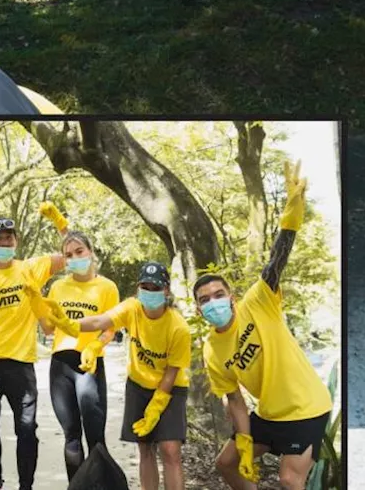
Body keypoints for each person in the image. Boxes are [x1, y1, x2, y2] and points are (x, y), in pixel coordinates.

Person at [195, 162, 332, 490]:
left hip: (306, 407)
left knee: (289, 479)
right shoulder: (212, 350)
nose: (212, 301)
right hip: (269, 415)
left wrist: (291, 218)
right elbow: (237, 401)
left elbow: (276, 261)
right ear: (199, 309)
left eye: (218, 294)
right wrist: (243, 445)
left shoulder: (257, 301)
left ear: (231, 296)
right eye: (204, 299)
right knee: (226, 463)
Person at [51, 261, 192, 490]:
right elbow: (99, 321)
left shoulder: (178, 328)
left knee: (170, 450)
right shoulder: (132, 308)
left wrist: (156, 406)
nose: (149, 292)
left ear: (166, 290)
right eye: (144, 287)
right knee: (145, 448)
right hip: (138, 385)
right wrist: (70, 325)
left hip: (170, 390)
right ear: (138, 289)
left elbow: (172, 372)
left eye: (155, 288)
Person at [0, 215, 66, 490]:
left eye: (9, 237)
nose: (4, 242)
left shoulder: (30, 269)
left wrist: (61, 223)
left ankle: (26, 486)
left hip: (20, 363)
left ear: (16, 241)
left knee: (27, 429)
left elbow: (69, 253)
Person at [40, 222, 121, 481]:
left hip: (90, 364)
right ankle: (77, 486)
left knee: (95, 436)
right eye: (68, 255)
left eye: (79, 251)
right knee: (71, 437)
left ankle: (104, 485)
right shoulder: (58, 287)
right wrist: (35, 304)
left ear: (91, 252)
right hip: (61, 365)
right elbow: (50, 329)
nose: (75, 258)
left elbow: (110, 328)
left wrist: (97, 344)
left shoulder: (107, 287)